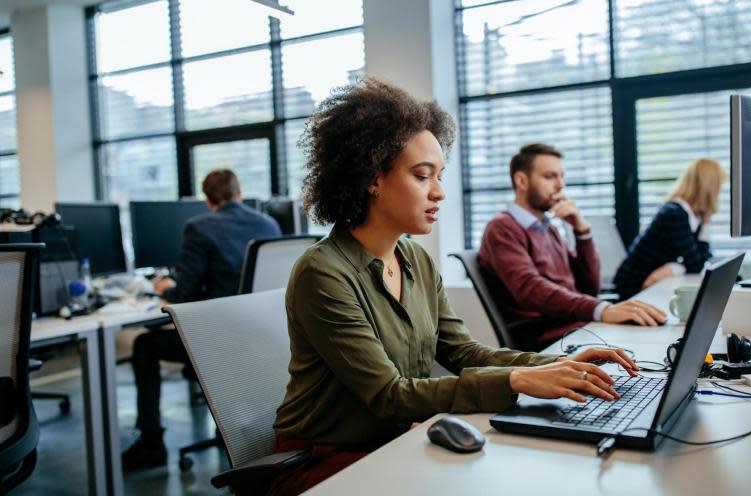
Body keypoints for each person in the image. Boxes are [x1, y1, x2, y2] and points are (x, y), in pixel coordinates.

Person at [269, 79, 639, 495]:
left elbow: (462, 352)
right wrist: (517, 380)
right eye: (422, 176)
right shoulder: (323, 272)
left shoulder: (417, 261)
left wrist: (548, 366)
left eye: (439, 176)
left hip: (391, 442)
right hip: (323, 460)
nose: (439, 192)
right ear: (373, 178)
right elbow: (390, 395)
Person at [121, 169, 281, 471]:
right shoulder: (268, 223)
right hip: (263, 338)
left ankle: (151, 445)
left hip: (219, 343)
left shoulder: (199, 227)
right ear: (240, 193)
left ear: (208, 201)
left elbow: (183, 293)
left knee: (145, 344)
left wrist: (165, 286)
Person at [477, 144, 667, 350]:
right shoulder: (502, 228)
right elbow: (530, 289)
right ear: (522, 181)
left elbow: (589, 287)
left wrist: (582, 231)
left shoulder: (548, 228)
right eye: (550, 176)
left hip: (575, 326)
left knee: (654, 333)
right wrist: (601, 309)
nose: (560, 185)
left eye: (561, 176)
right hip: (550, 337)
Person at [614, 158, 727, 300]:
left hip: (653, 281)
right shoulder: (674, 213)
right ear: (709, 188)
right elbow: (695, 264)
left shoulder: (692, 215)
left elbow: (703, 258)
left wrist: (705, 223)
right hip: (634, 284)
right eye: (719, 188)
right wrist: (675, 267)